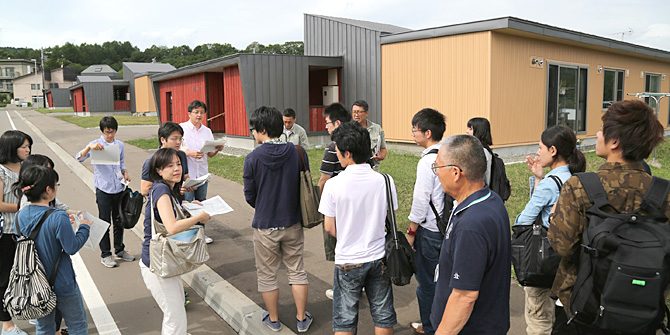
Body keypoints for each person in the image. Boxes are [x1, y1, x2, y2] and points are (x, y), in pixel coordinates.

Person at [548, 100, 668, 335]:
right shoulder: (663, 192)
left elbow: (562, 247)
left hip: (584, 305)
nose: (597, 134)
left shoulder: (580, 186)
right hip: (641, 307)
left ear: (615, 141)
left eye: (602, 130)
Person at [319, 121, 398, 335]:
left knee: (345, 319)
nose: (335, 154)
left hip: (348, 259)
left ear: (347, 153)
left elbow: (329, 227)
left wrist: (347, 235)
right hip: (379, 256)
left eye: (336, 151)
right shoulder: (385, 180)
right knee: (383, 315)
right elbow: (389, 214)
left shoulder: (333, 185)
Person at [430, 135, 511, 335]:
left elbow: (464, 296)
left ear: (456, 172)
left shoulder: (471, 225)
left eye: (437, 167)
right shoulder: (490, 199)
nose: (436, 173)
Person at [243, 106, 313, 333]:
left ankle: (273, 319)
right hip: (292, 221)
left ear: (262, 130)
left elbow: (250, 195)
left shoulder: (252, 158)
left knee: (267, 274)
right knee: (297, 270)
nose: (252, 133)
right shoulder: (296, 152)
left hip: (265, 224)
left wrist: (264, 205)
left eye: (254, 129)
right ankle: (302, 318)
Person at [514, 126, 585, 335]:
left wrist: (541, 183)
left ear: (553, 150)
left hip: (543, 258)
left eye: (540, 148)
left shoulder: (549, 185)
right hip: (566, 260)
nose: (538, 153)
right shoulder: (575, 178)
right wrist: (538, 177)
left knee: (539, 317)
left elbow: (524, 220)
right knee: (557, 314)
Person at [140, 148, 211, 335]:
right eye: (169, 165)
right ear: (159, 171)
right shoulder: (162, 190)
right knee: (175, 315)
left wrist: (189, 206)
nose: (176, 169)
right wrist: (198, 218)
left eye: (178, 164)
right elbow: (171, 227)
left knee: (177, 308)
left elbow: (171, 214)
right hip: (157, 264)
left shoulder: (168, 189)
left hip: (165, 259)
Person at [15, 165, 91, 335]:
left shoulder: (20, 216)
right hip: (62, 280)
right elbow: (71, 247)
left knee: (44, 327)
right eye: (56, 185)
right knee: (77, 324)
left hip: (35, 283)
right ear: (48, 190)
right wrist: (84, 227)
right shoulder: (58, 216)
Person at [407, 108, 446, 335]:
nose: (413, 134)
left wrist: (412, 230)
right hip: (450, 228)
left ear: (428, 133)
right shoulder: (450, 154)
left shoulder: (426, 162)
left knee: (427, 284)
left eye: (415, 130)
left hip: (431, 230)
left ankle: (430, 327)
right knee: (447, 281)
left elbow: (421, 200)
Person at [76, 116, 134, 268]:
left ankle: (119, 249)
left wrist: (125, 172)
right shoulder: (95, 144)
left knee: (119, 220)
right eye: (107, 132)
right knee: (104, 222)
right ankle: (106, 254)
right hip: (103, 189)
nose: (110, 135)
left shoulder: (119, 145)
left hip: (119, 188)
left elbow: (121, 162)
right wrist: (89, 148)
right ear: (102, 131)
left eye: (112, 131)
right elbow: (79, 158)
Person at [317, 102, 351, 300]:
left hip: (338, 208)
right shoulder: (360, 141)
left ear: (337, 123)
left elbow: (324, 179)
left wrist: (323, 205)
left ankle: (341, 288)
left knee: (339, 247)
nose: (326, 127)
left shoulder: (333, 148)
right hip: (360, 206)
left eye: (328, 123)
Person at [0, 130, 32, 335]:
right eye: (24, 146)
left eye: (29, 146)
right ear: (11, 148)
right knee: (4, 279)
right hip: (6, 233)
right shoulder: (1, 172)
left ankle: (32, 310)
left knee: (27, 275)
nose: (28, 149)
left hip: (25, 231)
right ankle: (7, 325)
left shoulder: (27, 168)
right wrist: (23, 206)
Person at [180, 100, 223, 244]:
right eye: (196, 112)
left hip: (203, 174)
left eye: (201, 112)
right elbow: (176, 148)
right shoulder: (182, 129)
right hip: (188, 174)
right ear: (189, 113)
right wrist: (189, 153)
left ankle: (201, 234)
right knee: (188, 204)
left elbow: (209, 154)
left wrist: (216, 149)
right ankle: (188, 236)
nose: (199, 115)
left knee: (202, 204)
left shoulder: (207, 131)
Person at [140, 122, 189, 198]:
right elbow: (144, 190)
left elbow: (185, 176)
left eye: (180, 139)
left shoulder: (181, 155)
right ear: (163, 140)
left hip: (179, 202)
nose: (178, 142)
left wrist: (189, 185)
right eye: (174, 139)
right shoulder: (152, 160)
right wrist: (169, 190)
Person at [352, 100, 387, 170]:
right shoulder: (347, 129)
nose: (356, 115)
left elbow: (383, 149)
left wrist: (380, 156)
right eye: (354, 112)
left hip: (373, 169)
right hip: (353, 168)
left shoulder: (377, 128)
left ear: (366, 113)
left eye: (359, 112)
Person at [466, 117, 493, 186]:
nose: (467, 131)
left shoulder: (482, 152)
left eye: (470, 129)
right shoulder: (479, 149)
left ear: (479, 131)